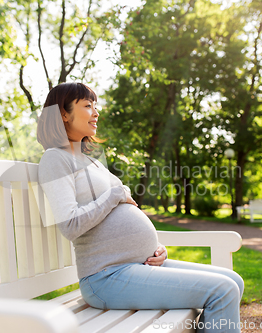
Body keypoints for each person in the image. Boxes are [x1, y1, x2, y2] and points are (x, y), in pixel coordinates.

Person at [37, 82, 244, 333]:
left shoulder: (90, 160)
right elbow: (70, 225)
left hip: (137, 266)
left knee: (233, 280)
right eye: (87, 105)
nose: (96, 111)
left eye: (95, 105)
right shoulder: (55, 158)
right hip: (105, 278)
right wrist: (114, 195)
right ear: (63, 113)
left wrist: (154, 247)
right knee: (223, 292)